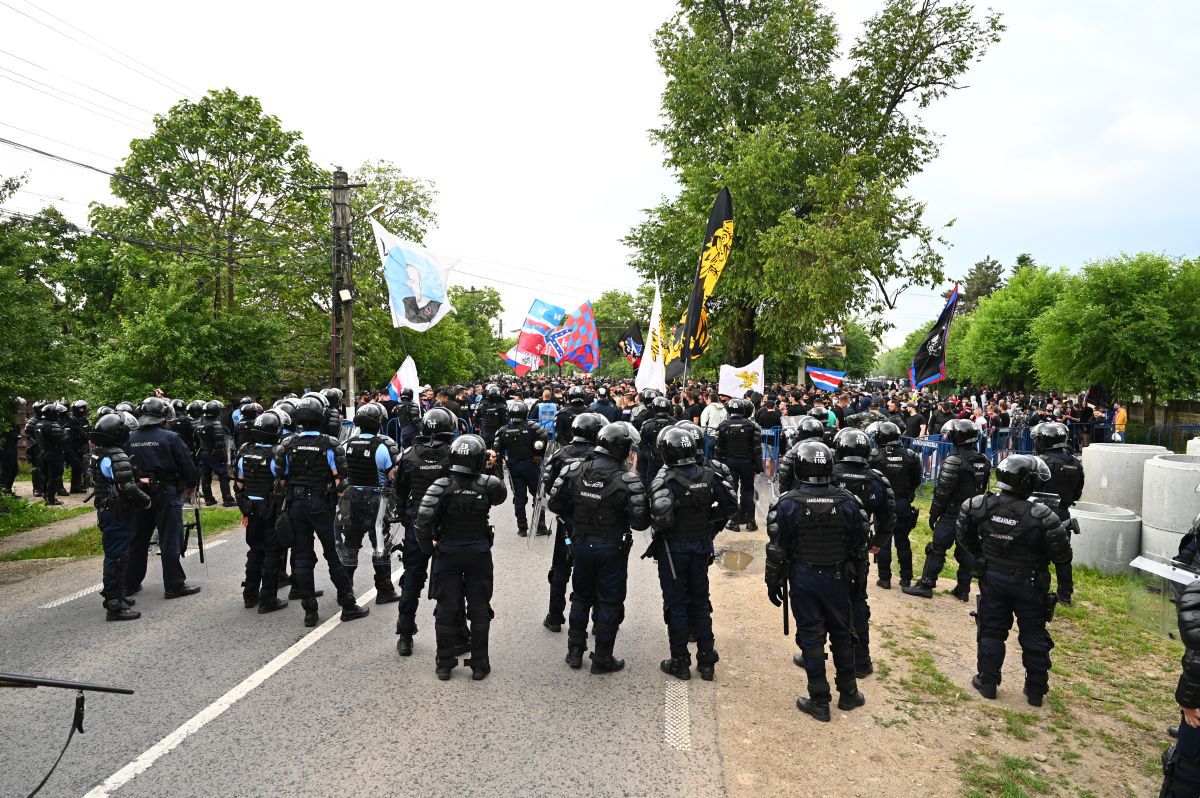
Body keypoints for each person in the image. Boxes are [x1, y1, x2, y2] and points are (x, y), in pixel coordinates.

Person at [765, 440, 870, 722]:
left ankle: (819, 700)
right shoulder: (849, 502)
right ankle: (848, 692)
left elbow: (776, 549)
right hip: (838, 577)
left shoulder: (786, 503)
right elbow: (860, 546)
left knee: (811, 636)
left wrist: (772, 582)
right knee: (843, 633)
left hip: (804, 578)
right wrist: (859, 583)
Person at [957, 454, 1071, 706]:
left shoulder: (979, 505)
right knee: (1033, 632)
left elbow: (964, 536)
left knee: (991, 629)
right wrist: (1065, 588)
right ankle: (1036, 690)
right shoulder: (1042, 515)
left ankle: (988, 681)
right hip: (1029, 582)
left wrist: (982, 555)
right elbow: (1062, 556)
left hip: (993, 577)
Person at [548, 422, 650, 673]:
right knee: (610, 601)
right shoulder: (628, 480)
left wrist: (577, 519)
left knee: (581, 596)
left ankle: (574, 651)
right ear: (622, 449)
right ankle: (602, 657)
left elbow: (555, 503)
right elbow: (640, 522)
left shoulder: (574, 470)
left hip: (581, 544)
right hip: (611, 548)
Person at [647, 426, 737, 680]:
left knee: (676, 604)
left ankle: (680, 661)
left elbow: (660, 519)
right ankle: (707, 661)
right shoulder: (709, 476)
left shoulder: (665, 480)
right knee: (700, 603)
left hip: (674, 550)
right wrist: (708, 521)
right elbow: (731, 506)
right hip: (700, 547)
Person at [415, 434, 507, 681]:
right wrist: (492, 468)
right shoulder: (487, 485)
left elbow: (422, 523)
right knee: (479, 609)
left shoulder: (441, 486)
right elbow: (501, 495)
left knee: (446, 609)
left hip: (449, 552)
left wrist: (429, 550)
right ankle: (479, 664)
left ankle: (444, 663)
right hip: (478, 553)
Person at [275, 394, 369, 627]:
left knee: (302, 556)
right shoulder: (330, 444)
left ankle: (310, 611)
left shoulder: (288, 445)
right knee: (333, 553)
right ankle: (348, 604)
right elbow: (340, 481)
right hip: (321, 504)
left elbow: (281, 480)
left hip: (296, 504)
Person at [903, 419, 991, 601]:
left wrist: (934, 514)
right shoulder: (983, 460)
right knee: (966, 549)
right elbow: (982, 488)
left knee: (937, 548)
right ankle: (963, 589)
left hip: (953, 511)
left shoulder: (954, 460)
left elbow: (942, 492)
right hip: (973, 511)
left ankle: (926, 585)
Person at [393, 408, 458, 656]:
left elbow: (399, 491)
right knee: (452, 579)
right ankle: (455, 633)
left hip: (417, 523)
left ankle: (405, 634)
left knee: (412, 578)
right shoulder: (453, 454)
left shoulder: (409, 455)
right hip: (446, 525)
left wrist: (404, 516)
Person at [831, 427, 894, 677]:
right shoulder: (876, 480)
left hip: (827, 547)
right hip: (858, 550)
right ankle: (861, 660)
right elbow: (888, 517)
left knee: (820, 602)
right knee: (857, 600)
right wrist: (878, 542)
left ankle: (814, 653)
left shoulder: (828, 474)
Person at [124, 397, 202, 600]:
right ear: (162, 415)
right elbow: (187, 464)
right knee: (169, 539)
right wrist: (191, 485)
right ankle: (174, 585)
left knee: (137, 539)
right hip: (165, 494)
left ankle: (129, 583)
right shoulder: (171, 437)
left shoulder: (129, 438)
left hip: (138, 495)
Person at [540, 412, 605, 633]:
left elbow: (549, 487)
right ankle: (598, 619)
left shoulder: (560, 454)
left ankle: (555, 616)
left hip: (567, 522)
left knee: (560, 567)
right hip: (595, 523)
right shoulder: (601, 457)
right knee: (596, 570)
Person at [88, 413, 152, 621]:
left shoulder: (99, 452)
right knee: (117, 557)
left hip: (107, 510)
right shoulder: (116, 455)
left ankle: (118, 596)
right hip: (117, 512)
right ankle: (114, 604)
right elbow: (127, 487)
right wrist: (145, 501)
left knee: (118, 555)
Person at [336, 402, 402, 602]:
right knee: (380, 545)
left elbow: (342, 473)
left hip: (352, 499)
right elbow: (392, 476)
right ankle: (384, 590)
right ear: (378, 423)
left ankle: (346, 590)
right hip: (377, 501)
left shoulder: (347, 444)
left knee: (350, 544)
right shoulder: (381, 446)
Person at [232, 411, 289, 614]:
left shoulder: (244, 454)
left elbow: (239, 485)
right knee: (272, 552)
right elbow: (282, 484)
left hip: (251, 508)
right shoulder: (276, 455)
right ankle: (268, 599)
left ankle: (249, 595)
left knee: (255, 550)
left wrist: (244, 508)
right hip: (270, 508)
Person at [1031, 421, 1085, 605]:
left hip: (1041, 514)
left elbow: (1031, 489)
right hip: (1063, 514)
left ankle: (1039, 592)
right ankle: (1065, 595)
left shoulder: (1041, 462)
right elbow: (1077, 493)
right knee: (1063, 558)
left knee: (1039, 558)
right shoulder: (1075, 463)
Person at [869, 421, 922, 589]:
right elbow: (917, 480)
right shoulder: (910, 456)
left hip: (883, 504)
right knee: (903, 541)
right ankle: (906, 578)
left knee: (883, 542)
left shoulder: (874, 456)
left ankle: (884, 579)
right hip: (902, 502)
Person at [494, 400, 551, 536]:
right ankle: (540, 526)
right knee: (539, 495)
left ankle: (522, 528)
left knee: (519, 497)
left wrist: (500, 472)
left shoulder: (503, 431)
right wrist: (538, 455)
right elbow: (545, 440)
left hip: (514, 467)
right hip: (531, 465)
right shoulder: (533, 427)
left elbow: (497, 452)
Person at [197, 400, 236, 507]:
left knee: (205, 476)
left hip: (203, 452)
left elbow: (196, 440)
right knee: (224, 475)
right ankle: (227, 499)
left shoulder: (200, 423)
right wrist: (224, 458)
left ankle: (208, 499)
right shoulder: (216, 425)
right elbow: (220, 444)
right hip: (214, 453)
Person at [635, 396, 674, 488]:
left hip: (654, 459)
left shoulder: (647, 425)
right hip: (670, 460)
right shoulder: (675, 423)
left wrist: (649, 456)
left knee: (651, 485)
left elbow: (641, 445)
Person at [36, 402, 68, 504]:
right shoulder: (53, 424)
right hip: (53, 454)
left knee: (45, 476)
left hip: (42, 453)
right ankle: (51, 499)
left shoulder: (38, 424)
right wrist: (65, 433)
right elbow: (60, 441)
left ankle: (46, 496)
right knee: (54, 477)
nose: (57, 414)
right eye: (55, 412)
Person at [472, 384, 507, 450]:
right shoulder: (502, 406)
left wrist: (476, 425)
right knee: (497, 450)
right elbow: (505, 420)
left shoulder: (482, 404)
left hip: (488, 431)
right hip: (496, 431)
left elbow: (475, 416)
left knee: (486, 449)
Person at [65, 400, 90, 493]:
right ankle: (74, 487)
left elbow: (87, 432)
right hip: (72, 447)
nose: (82, 410)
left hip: (82, 446)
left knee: (80, 466)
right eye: (80, 408)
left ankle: (77, 486)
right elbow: (68, 434)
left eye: (83, 408)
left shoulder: (84, 419)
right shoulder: (71, 419)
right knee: (76, 466)